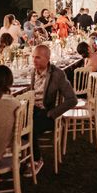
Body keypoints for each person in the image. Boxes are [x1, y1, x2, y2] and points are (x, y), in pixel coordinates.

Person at [29, 44, 77, 176]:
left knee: (29, 128)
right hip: (33, 110)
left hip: (48, 113)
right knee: (18, 124)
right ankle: (24, 156)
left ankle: (37, 159)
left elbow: (72, 99)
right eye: (33, 57)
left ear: (47, 58)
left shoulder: (57, 74)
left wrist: (54, 113)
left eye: (37, 57)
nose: (34, 60)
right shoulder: (33, 72)